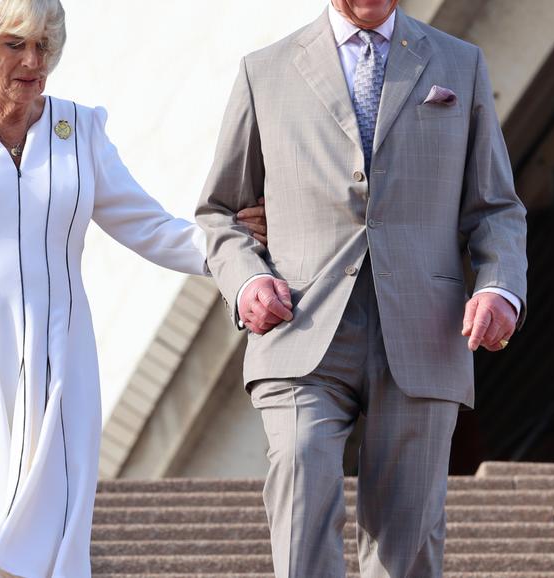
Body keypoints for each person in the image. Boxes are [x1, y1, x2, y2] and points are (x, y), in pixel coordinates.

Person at [0, 0, 267, 576]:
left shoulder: (80, 128)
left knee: (45, 523)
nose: (33, 60)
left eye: (43, 45)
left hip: (57, 362)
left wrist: (231, 246)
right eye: (14, 45)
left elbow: (150, 227)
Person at [196, 0, 527, 576]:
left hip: (426, 328)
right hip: (300, 325)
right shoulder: (264, 71)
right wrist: (247, 279)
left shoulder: (460, 63)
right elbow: (219, 211)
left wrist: (500, 288)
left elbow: (496, 208)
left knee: (405, 549)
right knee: (299, 481)